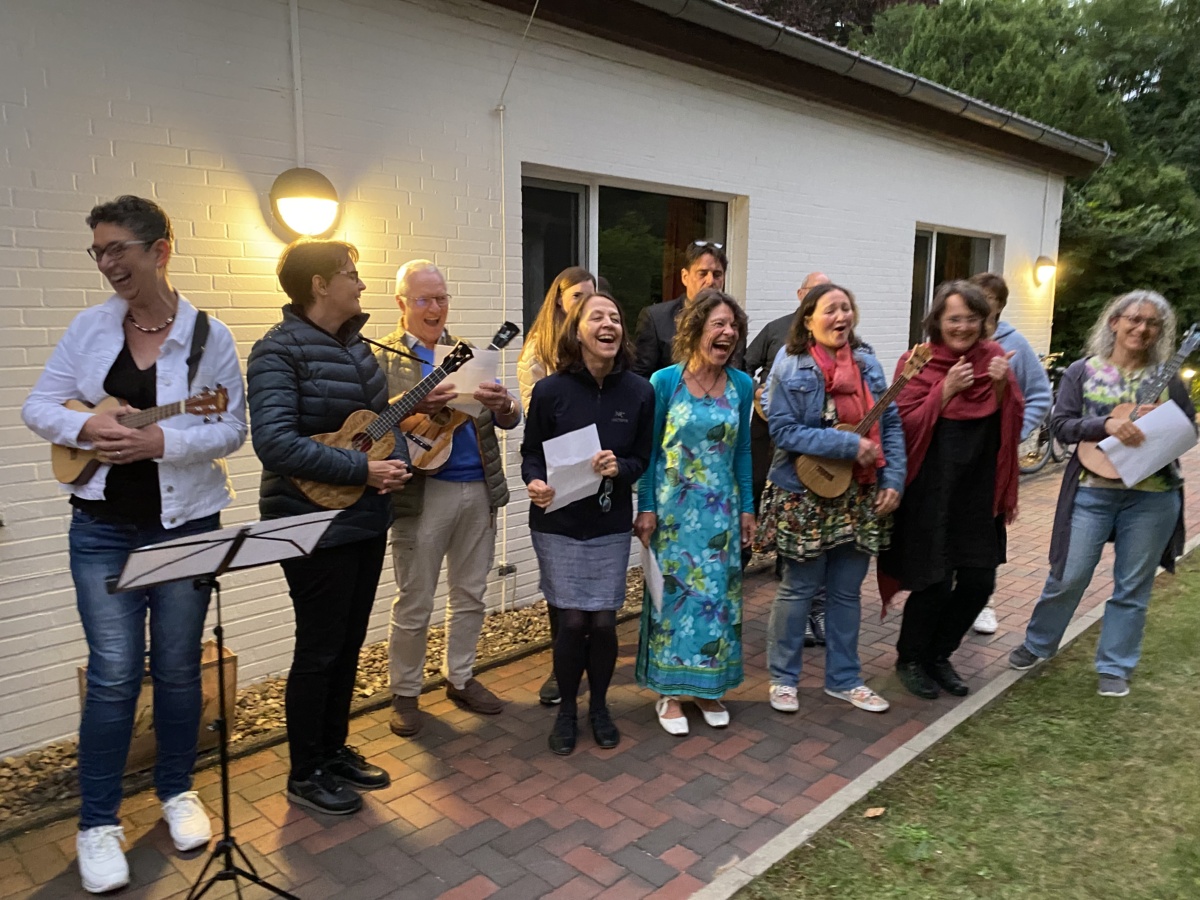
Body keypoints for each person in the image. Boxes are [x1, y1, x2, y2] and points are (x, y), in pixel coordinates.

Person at [21, 196, 247, 893]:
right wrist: (87, 431)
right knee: (115, 674)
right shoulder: (89, 329)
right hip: (101, 528)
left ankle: (177, 790)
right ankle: (98, 823)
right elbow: (38, 406)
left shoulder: (212, 338)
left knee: (179, 667)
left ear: (160, 250)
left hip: (185, 524)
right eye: (98, 252)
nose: (108, 263)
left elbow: (231, 427)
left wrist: (161, 439)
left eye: (118, 248)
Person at [247, 239, 409, 816]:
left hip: (364, 516)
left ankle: (334, 749)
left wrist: (395, 464)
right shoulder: (276, 351)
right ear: (318, 284)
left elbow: (376, 426)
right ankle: (304, 769)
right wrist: (362, 468)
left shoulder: (360, 349)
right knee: (318, 648)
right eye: (351, 274)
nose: (361, 284)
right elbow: (275, 442)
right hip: (308, 521)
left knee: (348, 642)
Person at [1010, 290, 1194, 697]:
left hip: (1153, 496)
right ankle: (1039, 642)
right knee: (1069, 574)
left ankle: (1115, 665)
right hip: (1092, 491)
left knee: (1133, 584)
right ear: (1114, 322)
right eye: (1134, 319)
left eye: (1152, 323)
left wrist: (1162, 424)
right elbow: (1061, 426)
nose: (1142, 328)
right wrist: (1105, 425)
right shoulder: (1082, 371)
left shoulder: (1167, 376)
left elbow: (1189, 431)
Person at [377, 260, 522, 738]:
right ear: (402, 304)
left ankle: (460, 677)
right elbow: (370, 425)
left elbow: (507, 420)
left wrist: (505, 407)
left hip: (478, 487)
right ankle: (405, 691)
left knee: (470, 593)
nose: (435, 308)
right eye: (424, 299)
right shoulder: (382, 360)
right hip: (422, 494)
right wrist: (418, 404)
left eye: (441, 298)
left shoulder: (466, 354)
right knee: (414, 598)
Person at [755, 283, 905, 715]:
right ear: (807, 319)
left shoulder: (869, 364)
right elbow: (782, 431)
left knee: (846, 592)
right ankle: (784, 678)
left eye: (847, 309)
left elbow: (890, 424)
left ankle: (845, 679)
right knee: (798, 587)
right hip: (804, 492)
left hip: (859, 493)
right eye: (830, 310)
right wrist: (846, 447)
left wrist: (893, 478)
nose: (841, 317)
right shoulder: (791, 365)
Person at [522, 292, 654, 754]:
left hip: (608, 523)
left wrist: (624, 468)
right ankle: (565, 713)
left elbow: (644, 457)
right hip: (557, 523)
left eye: (615, 317)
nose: (609, 324)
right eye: (596, 316)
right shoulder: (550, 390)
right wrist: (534, 482)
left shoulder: (640, 392)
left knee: (601, 623)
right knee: (571, 621)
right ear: (576, 331)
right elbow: (530, 454)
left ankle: (599, 707)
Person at [879, 280, 1023, 700]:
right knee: (934, 581)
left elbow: (1010, 421)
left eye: (971, 319)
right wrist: (944, 392)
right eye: (953, 318)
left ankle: (940, 654)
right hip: (931, 487)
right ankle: (911, 658)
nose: (962, 327)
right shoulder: (916, 361)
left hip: (978, 490)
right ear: (937, 321)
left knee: (979, 581)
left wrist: (1000, 386)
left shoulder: (995, 358)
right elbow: (899, 426)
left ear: (984, 322)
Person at [635, 289, 756, 735]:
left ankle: (708, 689)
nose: (728, 333)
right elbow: (648, 451)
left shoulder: (742, 385)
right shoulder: (664, 382)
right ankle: (668, 691)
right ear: (696, 330)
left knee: (716, 603)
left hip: (719, 512)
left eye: (733, 326)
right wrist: (645, 506)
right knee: (670, 601)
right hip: (671, 514)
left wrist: (747, 508)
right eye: (718, 325)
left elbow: (742, 451)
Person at [517, 265, 597, 707]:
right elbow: (539, 418)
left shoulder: (600, 344)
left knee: (594, 568)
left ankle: (589, 649)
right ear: (559, 299)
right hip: (558, 470)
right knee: (560, 576)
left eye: (592, 296)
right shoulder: (538, 351)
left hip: (598, 467)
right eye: (577, 296)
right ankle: (561, 662)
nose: (585, 304)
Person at [744, 271, 831, 640]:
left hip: (809, 443)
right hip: (765, 432)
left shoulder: (831, 342)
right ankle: (741, 564)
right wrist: (756, 392)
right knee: (758, 490)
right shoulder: (775, 330)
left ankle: (788, 569)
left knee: (800, 498)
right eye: (813, 291)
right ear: (800, 294)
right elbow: (744, 365)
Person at [969, 271, 1053, 635]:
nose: (984, 303)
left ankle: (983, 602)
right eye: (978, 295)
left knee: (987, 531)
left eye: (990, 298)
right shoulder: (956, 338)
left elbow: (1040, 394)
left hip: (992, 459)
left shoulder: (1014, 343)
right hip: (954, 456)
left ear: (1000, 304)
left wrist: (1013, 432)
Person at [632, 241, 745, 377]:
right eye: (702, 273)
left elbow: (738, 370)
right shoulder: (656, 319)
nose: (710, 281)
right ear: (685, 277)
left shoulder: (734, 322)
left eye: (717, 274)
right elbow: (640, 377)